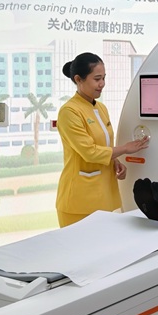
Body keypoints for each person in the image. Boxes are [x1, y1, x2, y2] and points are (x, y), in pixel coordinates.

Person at [56, 52, 149, 227]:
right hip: (79, 201)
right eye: (97, 79)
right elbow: (89, 152)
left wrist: (115, 161)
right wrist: (125, 149)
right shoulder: (69, 111)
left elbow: (104, 144)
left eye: (104, 78)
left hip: (105, 195)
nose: (102, 84)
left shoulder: (101, 108)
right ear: (78, 79)